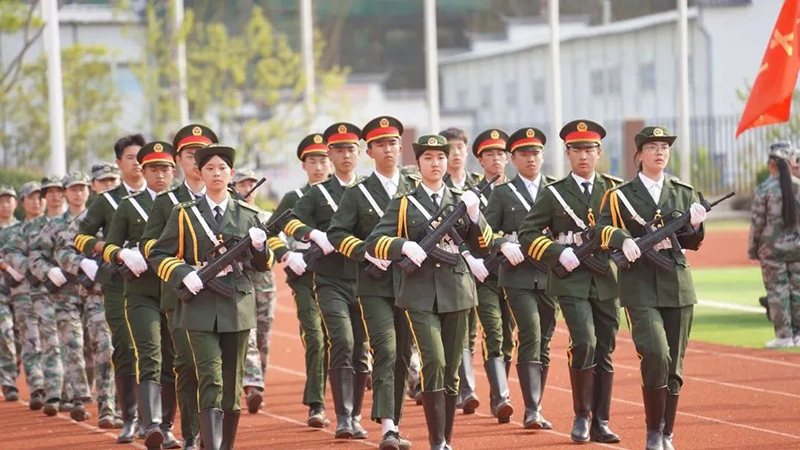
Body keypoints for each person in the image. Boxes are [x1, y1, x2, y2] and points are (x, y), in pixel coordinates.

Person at [366, 134, 494, 450]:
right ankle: (437, 440)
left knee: (452, 368)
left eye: (440, 158)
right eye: (428, 158)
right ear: (418, 163)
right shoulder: (404, 203)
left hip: (458, 290)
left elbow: (484, 245)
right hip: (419, 293)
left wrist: (475, 216)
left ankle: (444, 440)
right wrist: (403, 246)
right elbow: (374, 242)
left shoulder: (462, 200)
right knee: (434, 360)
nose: (435, 163)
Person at [149, 143, 274, 450]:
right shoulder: (184, 213)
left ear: (231, 173)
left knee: (231, 385)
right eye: (210, 169)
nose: (216, 173)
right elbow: (159, 253)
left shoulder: (248, 214)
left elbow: (264, 265)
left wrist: (260, 247)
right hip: (199, 306)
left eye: (222, 168)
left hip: (236, 304)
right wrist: (183, 273)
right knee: (209, 377)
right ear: (200, 173)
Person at [518, 120, 628, 444]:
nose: (583, 156)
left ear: (599, 152)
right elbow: (527, 233)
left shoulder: (614, 191)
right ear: (567, 153)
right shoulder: (554, 193)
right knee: (584, 341)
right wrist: (557, 252)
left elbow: (631, 229)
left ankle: (601, 422)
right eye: (577, 150)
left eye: (589, 150)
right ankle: (582, 415)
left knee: (604, 348)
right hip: (571, 279)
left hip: (605, 277)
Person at [604, 126, 709, 450]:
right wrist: (623, 240)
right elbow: (602, 230)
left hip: (676, 283)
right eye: (652, 147)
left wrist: (696, 225)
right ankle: (653, 430)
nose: (660, 152)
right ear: (639, 155)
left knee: (674, 364)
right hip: (639, 284)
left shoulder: (683, 192)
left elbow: (692, 243)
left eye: (664, 147)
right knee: (655, 353)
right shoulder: (620, 195)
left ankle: (667, 433)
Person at [327, 116, 417, 450]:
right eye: (380, 144)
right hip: (374, 284)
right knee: (386, 350)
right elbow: (337, 233)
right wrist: (365, 253)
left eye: (392, 143)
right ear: (370, 152)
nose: (388, 149)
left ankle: (396, 423)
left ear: (400, 147)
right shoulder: (359, 193)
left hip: (412, 282)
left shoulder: (415, 187)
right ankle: (388, 428)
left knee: (404, 353)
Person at [283, 122, 371, 440]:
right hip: (330, 279)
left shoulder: (369, 190)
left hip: (366, 278)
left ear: (359, 154)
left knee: (361, 349)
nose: (346, 156)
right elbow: (290, 221)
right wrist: (312, 234)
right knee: (342, 341)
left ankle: (355, 415)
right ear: (331, 154)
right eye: (340, 150)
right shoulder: (318, 193)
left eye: (351, 150)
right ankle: (343, 417)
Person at [140, 124, 217, 450]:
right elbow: (149, 246)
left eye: (204, 155)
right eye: (190, 155)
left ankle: (215, 436)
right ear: (179, 160)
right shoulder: (167, 201)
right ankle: (192, 435)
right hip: (182, 296)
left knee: (217, 369)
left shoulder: (228, 199)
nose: (198, 161)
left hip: (223, 297)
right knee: (187, 364)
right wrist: (183, 269)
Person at [104, 141, 180, 449]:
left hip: (174, 291)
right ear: (143, 172)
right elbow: (109, 245)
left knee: (172, 359)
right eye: (153, 170)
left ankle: (168, 426)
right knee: (149, 354)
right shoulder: (128, 206)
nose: (159, 176)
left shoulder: (184, 204)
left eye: (165, 169)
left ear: (173, 172)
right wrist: (123, 254)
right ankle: (151, 426)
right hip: (141, 292)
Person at [484, 127, 558, 430]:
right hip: (517, 275)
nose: (531, 159)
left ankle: (536, 405)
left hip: (550, 273)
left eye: (535, 153)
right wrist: (503, 244)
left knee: (546, 340)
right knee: (530, 332)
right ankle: (532, 409)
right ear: (513, 159)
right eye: (524, 154)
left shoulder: (555, 190)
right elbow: (486, 232)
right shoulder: (503, 193)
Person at [74, 134, 146, 443]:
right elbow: (81, 237)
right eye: (130, 157)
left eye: (141, 157)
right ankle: (129, 417)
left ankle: (155, 418)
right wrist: (112, 250)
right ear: (119, 163)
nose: (137, 163)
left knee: (158, 351)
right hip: (119, 283)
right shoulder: (107, 201)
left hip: (157, 282)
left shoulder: (163, 198)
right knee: (125, 347)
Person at [266, 132, 332, 428]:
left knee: (344, 339)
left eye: (323, 160)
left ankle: (349, 407)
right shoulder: (295, 197)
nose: (318, 167)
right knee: (315, 337)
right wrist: (286, 255)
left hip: (338, 274)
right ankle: (316, 404)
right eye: (312, 161)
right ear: (303, 165)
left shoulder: (344, 195)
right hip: (304, 276)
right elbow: (269, 231)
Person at [52, 169, 117, 429]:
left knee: (113, 348)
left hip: (121, 292)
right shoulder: (87, 219)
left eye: (112, 181)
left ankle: (120, 407)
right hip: (86, 293)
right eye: (103, 181)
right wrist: (81, 263)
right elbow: (62, 250)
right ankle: (94, 402)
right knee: (91, 346)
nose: (109, 185)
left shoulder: (126, 212)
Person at [462, 129, 516, 423]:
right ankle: (501, 397)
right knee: (493, 332)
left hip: (515, 273)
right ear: (480, 160)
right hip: (484, 274)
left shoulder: (517, 191)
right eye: (489, 154)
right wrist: (471, 259)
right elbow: (458, 233)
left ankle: (499, 393)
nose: (496, 159)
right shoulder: (472, 196)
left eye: (500, 154)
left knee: (509, 336)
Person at [4, 177, 65, 416]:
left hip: (53, 291)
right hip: (24, 294)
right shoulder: (18, 230)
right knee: (31, 340)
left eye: (40, 197)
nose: (37, 202)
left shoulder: (53, 225)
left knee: (54, 341)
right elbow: (10, 252)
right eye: (31, 198)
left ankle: (57, 389)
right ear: (23, 202)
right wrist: (31, 269)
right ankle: (38, 387)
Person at [231, 168, 275, 414]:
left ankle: (258, 384)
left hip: (265, 283)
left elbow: (275, 250)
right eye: (242, 184)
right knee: (247, 333)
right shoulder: (232, 216)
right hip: (241, 281)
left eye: (251, 184)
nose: (248, 189)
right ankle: (252, 384)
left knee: (263, 337)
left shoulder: (266, 216)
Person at [748, 142, 800, 348]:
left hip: (772, 250)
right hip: (797, 248)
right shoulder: (798, 186)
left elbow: (757, 223)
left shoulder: (764, 189)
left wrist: (752, 250)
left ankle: (784, 336)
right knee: (797, 290)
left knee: (778, 292)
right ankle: (798, 334)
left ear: (772, 165)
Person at [0, 185, 19, 402]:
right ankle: (9, 382)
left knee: (23, 338)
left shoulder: (23, 228)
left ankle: (16, 367)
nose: (5, 205)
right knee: (5, 334)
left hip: (22, 291)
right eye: (1, 201)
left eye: (8, 200)